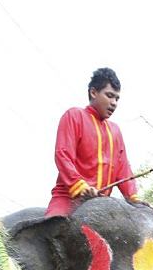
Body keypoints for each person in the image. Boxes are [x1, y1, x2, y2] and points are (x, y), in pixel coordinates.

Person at [46, 67, 141, 217]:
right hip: (68, 198)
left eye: (117, 98)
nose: (114, 103)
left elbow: (124, 171)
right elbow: (62, 155)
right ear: (93, 92)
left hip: (101, 206)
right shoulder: (74, 116)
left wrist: (134, 198)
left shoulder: (115, 131)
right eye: (109, 96)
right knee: (50, 231)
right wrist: (80, 186)